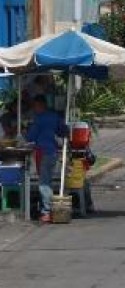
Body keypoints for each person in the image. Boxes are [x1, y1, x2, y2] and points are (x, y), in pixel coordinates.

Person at [26, 95, 68, 224]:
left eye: (35, 106)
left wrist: (25, 133)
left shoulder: (39, 119)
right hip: (53, 153)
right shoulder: (55, 116)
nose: (34, 109)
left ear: (40, 105)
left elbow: (30, 137)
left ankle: (46, 212)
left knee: (44, 183)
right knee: (47, 181)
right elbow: (64, 131)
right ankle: (48, 209)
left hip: (43, 152)